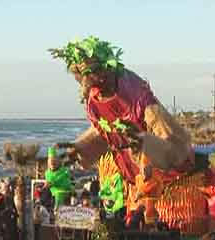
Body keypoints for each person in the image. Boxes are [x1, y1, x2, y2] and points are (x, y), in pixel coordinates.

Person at [49, 36, 193, 185]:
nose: (86, 82)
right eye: (80, 76)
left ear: (106, 68)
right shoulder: (94, 99)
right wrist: (79, 148)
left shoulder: (137, 96)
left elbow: (176, 146)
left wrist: (145, 143)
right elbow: (103, 129)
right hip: (134, 182)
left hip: (170, 185)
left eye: (91, 73)